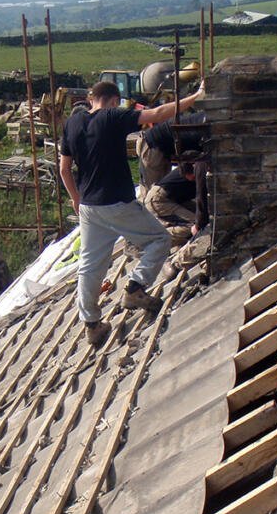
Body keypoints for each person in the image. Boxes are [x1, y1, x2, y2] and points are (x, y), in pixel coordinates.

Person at [60, 80, 203, 347]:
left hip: (89, 207)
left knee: (90, 266)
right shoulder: (113, 116)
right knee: (159, 240)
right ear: (113, 100)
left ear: (92, 98)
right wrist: (195, 96)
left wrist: (75, 200)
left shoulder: (72, 123)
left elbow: (64, 170)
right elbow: (159, 114)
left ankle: (91, 324)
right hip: (117, 202)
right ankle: (135, 288)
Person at [144, 151, 202, 247]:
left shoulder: (197, 168)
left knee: (203, 217)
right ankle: (152, 240)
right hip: (159, 200)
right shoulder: (193, 171)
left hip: (173, 199)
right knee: (195, 223)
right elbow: (201, 197)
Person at [136, 110, 206, 190]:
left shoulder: (208, 119)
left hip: (163, 146)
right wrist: (186, 169)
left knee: (162, 187)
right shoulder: (208, 127)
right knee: (152, 192)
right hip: (152, 144)